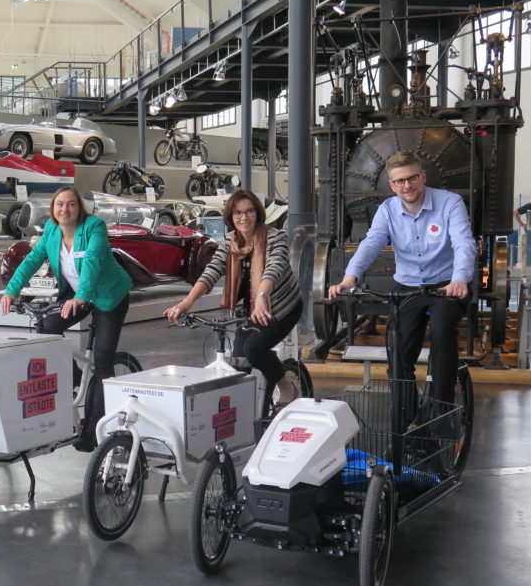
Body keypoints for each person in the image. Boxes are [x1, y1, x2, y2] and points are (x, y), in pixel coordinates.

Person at [328, 150, 476, 403]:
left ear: (422, 176)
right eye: (400, 181)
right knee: (398, 354)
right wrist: (350, 277)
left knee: (441, 330)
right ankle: (405, 416)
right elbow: (371, 243)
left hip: (445, 285)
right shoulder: (387, 209)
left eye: (412, 178)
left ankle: (442, 406)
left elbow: (464, 243)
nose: (407, 185)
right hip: (407, 287)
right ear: (391, 185)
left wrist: (459, 279)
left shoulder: (450, 202)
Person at [0, 186, 132, 452]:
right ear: (53, 208)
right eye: (59, 204)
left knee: (103, 363)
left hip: (108, 295)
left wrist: (82, 297)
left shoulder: (93, 227)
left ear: (79, 208)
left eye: (71, 204)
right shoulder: (51, 230)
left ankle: (92, 431)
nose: (64, 209)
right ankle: (73, 375)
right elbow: (32, 260)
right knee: (46, 329)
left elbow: (93, 261)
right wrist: (12, 291)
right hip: (77, 293)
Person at [165, 189, 303, 410]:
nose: (244, 217)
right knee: (240, 367)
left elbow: (273, 268)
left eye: (249, 211)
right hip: (250, 310)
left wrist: (262, 295)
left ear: (258, 213)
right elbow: (212, 272)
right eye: (238, 213)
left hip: (281, 308)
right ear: (230, 217)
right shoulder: (230, 242)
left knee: (254, 350)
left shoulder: (276, 237)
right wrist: (186, 303)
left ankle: (287, 387)